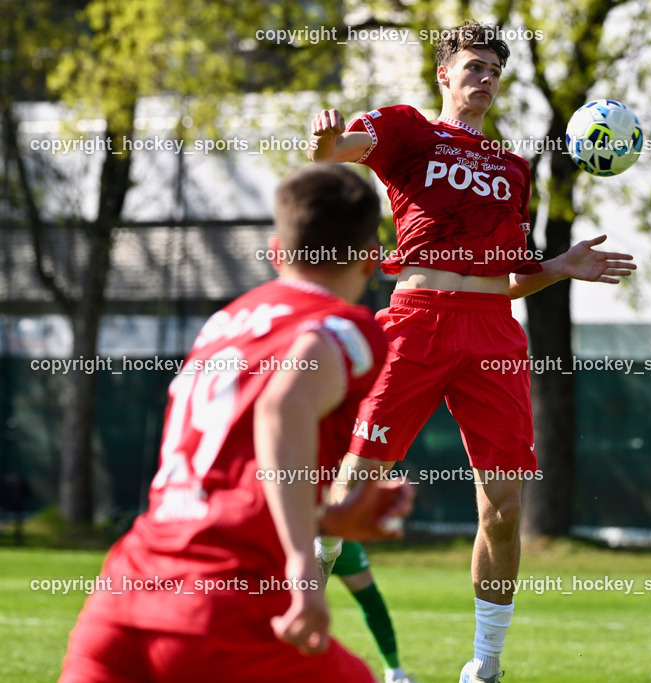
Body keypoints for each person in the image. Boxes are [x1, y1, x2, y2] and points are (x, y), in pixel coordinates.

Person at [308, 19, 635, 683]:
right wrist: (322, 141)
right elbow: (336, 151)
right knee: (353, 482)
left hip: (493, 330)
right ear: (445, 75)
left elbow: (514, 275)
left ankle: (486, 661)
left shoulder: (515, 168)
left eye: (493, 70)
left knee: (504, 506)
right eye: (473, 67)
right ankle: (292, 632)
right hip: (417, 321)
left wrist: (562, 264)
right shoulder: (407, 128)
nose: (484, 79)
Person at [60, 164, 414, 683]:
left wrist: (325, 518)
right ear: (370, 260)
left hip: (123, 599)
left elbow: (229, 474)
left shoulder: (226, 321)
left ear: (276, 252)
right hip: (223, 604)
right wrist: (302, 563)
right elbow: (281, 408)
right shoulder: (348, 327)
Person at [330, 541, 415, 683]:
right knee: (295, 606)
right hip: (299, 542)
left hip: (337, 539)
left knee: (372, 601)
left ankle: (395, 673)